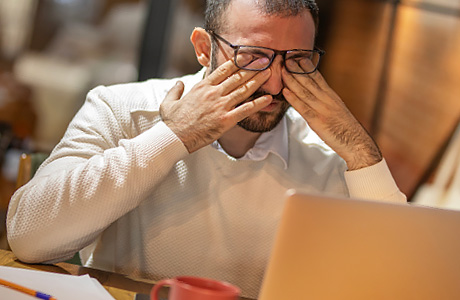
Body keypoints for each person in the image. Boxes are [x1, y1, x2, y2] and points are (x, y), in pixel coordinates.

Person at [7, 0, 406, 298]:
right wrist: (173, 136)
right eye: (255, 57)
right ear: (204, 48)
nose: (274, 83)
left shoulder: (327, 150)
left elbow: (398, 284)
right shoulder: (121, 107)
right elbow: (29, 237)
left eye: (297, 60)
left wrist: (360, 151)